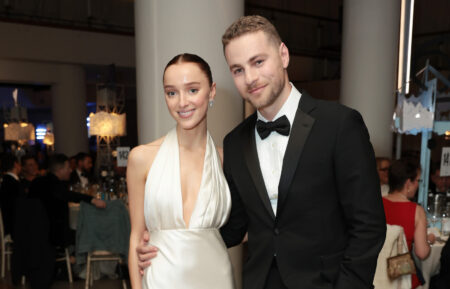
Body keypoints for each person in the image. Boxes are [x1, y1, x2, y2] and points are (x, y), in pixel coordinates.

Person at [137, 15, 386, 289]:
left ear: (283, 55)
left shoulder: (339, 125)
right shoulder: (235, 142)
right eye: (238, 69)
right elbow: (234, 227)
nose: (250, 78)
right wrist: (168, 241)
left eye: (258, 62)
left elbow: (368, 226)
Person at [127, 53, 234, 289]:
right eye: (171, 92)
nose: (181, 102)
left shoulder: (226, 160)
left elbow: (250, 225)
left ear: (212, 91)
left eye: (192, 90)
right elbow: (136, 236)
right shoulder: (142, 157)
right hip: (161, 279)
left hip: (216, 277)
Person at [28, 154, 106, 248]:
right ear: (60, 170)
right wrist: (92, 200)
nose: (71, 170)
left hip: (32, 231)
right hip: (53, 235)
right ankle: (83, 260)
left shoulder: (37, 182)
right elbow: (68, 195)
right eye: (68, 167)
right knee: (89, 231)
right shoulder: (55, 185)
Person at [382, 159, 435, 289]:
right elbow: (422, 253)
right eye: (417, 180)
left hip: (376, 273)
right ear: (408, 183)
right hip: (399, 276)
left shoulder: (377, 203)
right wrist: (428, 241)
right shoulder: (416, 211)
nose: (418, 185)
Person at [0, 154, 24, 238]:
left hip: (7, 223)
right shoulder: (14, 184)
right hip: (15, 225)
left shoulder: (4, 182)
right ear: (15, 164)